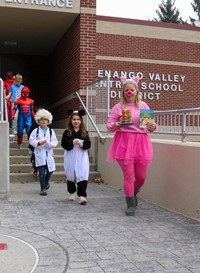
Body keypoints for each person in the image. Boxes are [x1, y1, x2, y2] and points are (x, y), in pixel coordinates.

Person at [106, 76, 157, 216]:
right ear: (123, 91)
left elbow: (150, 126)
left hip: (141, 142)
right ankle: (130, 203)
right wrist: (115, 125)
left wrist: (153, 126)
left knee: (141, 177)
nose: (129, 92)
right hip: (123, 142)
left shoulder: (143, 105)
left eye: (132, 89)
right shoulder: (118, 107)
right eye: (127, 90)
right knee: (128, 176)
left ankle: (134, 191)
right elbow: (109, 126)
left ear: (136, 91)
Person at [61, 109, 91, 205]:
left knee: (82, 174)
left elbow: (88, 144)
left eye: (78, 119)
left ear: (81, 120)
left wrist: (83, 145)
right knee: (71, 174)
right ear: (71, 120)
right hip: (71, 156)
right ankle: (72, 191)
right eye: (74, 119)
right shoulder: (67, 132)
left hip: (81, 156)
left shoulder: (84, 132)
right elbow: (64, 143)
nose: (76, 121)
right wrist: (71, 142)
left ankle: (82, 195)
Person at [29, 109, 58, 196]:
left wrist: (48, 143)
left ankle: (46, 182)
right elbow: (31, 140)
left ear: (48, 121)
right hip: (39, 154)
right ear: (38, 120)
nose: (43, 121)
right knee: (41, 173)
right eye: (41, 119)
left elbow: (55, 142)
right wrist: (38, 143)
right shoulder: (36, 131)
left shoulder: (51, 131)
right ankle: (43, 189)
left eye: (45, 119)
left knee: (50, 171)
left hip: (48, 154)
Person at [28, 107, 43, 178]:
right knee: (34, 158)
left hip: (43, 146)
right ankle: (35, 169)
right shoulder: (34, 125)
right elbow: (30, 135)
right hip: (35, 145)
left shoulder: (46, 124)